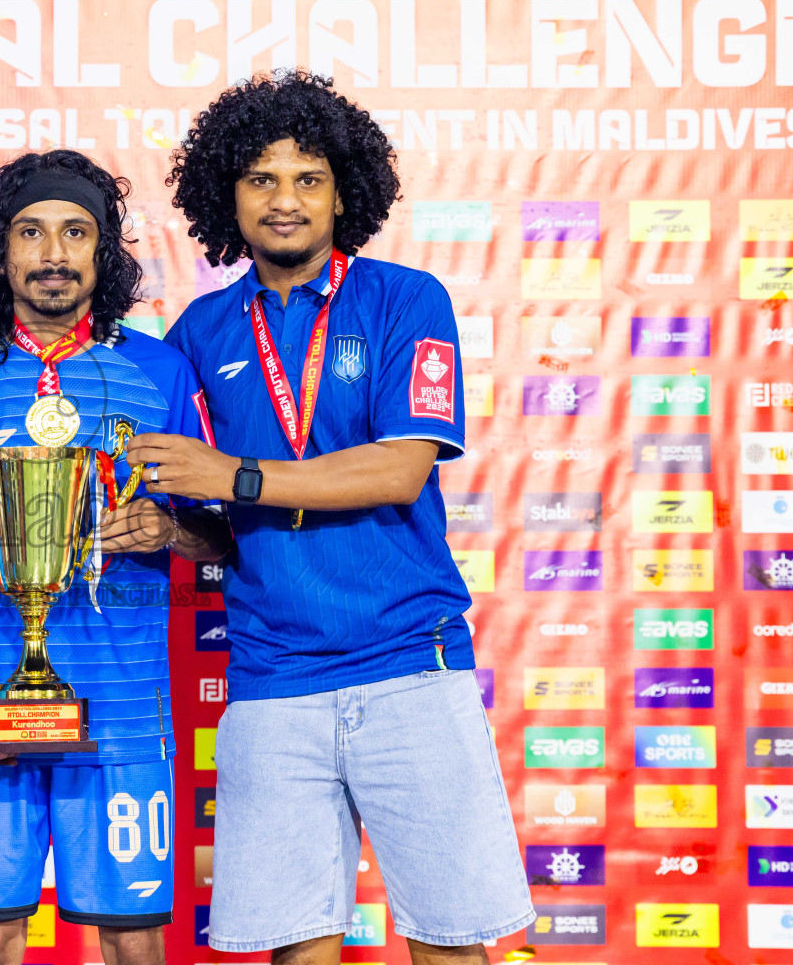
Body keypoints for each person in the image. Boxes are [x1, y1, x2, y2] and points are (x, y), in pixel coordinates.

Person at [128, 71, 534, 964]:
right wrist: (172, 531)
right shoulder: (198, 333)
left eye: (309, 177)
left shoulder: (405, 299)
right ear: (223, 195)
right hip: (272, 678)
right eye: (261, 178)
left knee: (452, 942)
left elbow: (399, 468)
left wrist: (232, 477)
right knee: (293, 950)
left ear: (345, 191)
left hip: (408, 664)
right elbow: (215, 521)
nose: (285, 200)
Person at [0, 149, 230, 965]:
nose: (53, 254)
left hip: (125, 711)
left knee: (130, 936)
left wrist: (169, 531)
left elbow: (221, 539)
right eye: (31, 232)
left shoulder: (160, 373)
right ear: (1, 252)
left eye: (75, 233)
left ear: (103, 253)